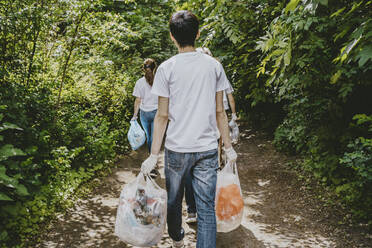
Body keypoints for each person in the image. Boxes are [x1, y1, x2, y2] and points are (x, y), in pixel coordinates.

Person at [140, 10, 237, 248]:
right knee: (205, 209)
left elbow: (162, 115)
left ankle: (176, 238)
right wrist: (228, 146)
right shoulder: (213, 66)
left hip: (176, 149)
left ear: (172, 36)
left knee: (174, 201)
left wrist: (153, 155)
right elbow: (219, 111)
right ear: (198, 33)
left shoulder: (166, 69)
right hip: (206, 149)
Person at [132, 58, 158, 153]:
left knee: (149, 136)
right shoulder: (159, 81)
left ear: (143, 69)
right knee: (154, 137)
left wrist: (135, 115)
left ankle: (151, 156)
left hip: (144, 113)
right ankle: (153, 157)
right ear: (155, 68)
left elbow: (138, 100)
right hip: (156, 112)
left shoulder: (139, 82)